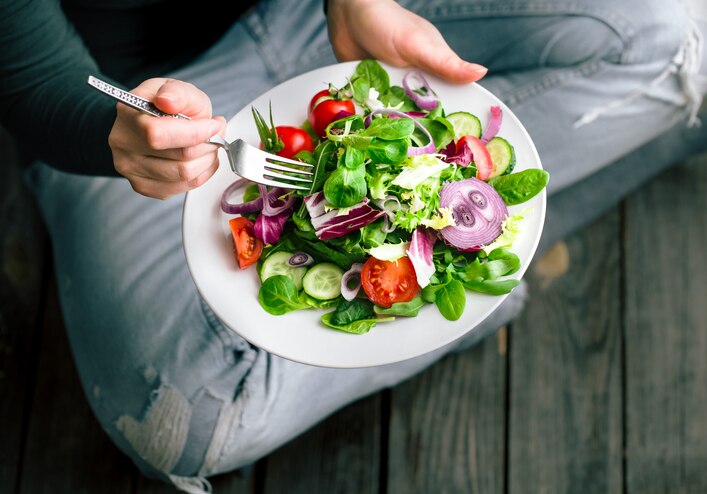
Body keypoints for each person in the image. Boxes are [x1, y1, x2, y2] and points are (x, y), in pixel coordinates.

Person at [1, 0, 705, 491]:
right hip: (128, 108)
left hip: (314, 18)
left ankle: (480, 255)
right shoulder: (117, 117)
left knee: (662, 26)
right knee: (183, 426)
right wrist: (113, 130)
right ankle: (502, 254)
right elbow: (31, 79)